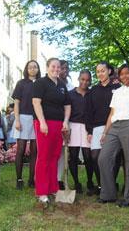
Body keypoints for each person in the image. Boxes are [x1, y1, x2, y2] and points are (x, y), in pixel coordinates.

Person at [98, 64, 129, 207]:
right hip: (115, 125)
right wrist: (105, 132)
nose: (124, 76)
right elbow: (112, 113)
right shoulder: (117, 92)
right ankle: (108, 194)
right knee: (103, 158)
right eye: (121, 74)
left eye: (127, 73)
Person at [32, 58, 71, 207]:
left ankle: (52, 188)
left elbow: (67, 105)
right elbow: (36, 102)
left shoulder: (62, 85)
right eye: (53, 66)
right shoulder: (40, 83)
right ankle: (42, 192)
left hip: (58, 125)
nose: (56, 69)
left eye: (58, 67)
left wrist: (65, 121)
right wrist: (42, 122)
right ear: (47, 67)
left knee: (54, 156)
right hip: (44, 123)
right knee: (44, 156)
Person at [85, 61, 121, 194]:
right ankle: (101, 184)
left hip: (113, 126)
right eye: (98, 71)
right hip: (96, 127)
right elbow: (88, 111)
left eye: (103, 70)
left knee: (114, 157)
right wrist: (89, 130)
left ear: (109, 71)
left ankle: (111, 184)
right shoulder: (93, 90)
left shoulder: (117, 88)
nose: (100, 73)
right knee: (95, 156)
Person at [12, 60, 40, 189]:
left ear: (38, 69)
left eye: (35, 67)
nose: (33, 69)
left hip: (36, 119)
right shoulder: (21, 83)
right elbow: (16, 103)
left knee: (35, 151)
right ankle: (19, 179)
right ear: (26, 69)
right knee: (21, 150)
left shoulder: (41, 84)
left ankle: (31, 180)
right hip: (22, 118)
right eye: (30, 67)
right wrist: (17, 120)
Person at [67, 70, 95, 194]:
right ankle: (77, 182)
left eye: (87, 80)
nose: (84, 82)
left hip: (87, 127)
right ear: (78, 79)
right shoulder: (70, 94)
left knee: (88, 156)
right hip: (73, 125)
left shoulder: (92, 94)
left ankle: (90, 181)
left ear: (90, 81)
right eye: (82, 79)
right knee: (73, 156)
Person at [57, 60, 74, 189]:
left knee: (63, 151)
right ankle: (52, 177)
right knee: (54, 151)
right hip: (54, 120)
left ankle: (59, 179)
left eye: (66, 68)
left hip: (67, 121)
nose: (64, 70)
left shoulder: (71, 85)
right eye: (62, 68)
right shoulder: (53, 84)